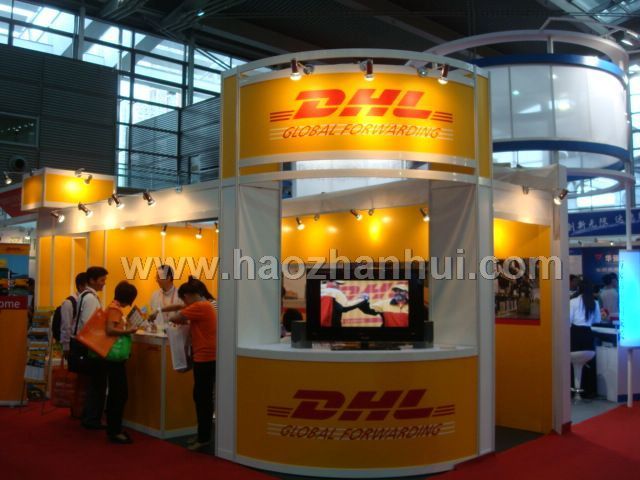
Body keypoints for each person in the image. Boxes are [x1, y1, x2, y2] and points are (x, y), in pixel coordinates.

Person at [167, 282, 217, 451]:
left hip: (205, 358)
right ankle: (202, 434)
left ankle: (204, 437)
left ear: (187, 296)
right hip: (206, 357)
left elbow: (175, 317)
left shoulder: (200, 306)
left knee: (202, 398)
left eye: (184, 300)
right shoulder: (206, 305)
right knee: (202, 397)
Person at [103, 281, 139, 444]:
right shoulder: (115, 309)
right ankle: (114, 430)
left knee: (117, 394)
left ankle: (114, 428)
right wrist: (128, 330)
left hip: (113, 359)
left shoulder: (113, 307)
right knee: (119, 394)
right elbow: (110, 329)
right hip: (114, 359)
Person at [77, 266, 108, 430]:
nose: (104, 283)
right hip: (92, 347)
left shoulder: (85, 296)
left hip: (87, 346)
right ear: (92, 280)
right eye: (102, 280)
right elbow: (89, 324)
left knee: (94, 384)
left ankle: (89, 416)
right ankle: (92, 418)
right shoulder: (90, 299)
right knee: (97, 385)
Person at [569, 280, 599, 397]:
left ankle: (574, 391)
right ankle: (584, 391)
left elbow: (569, 321)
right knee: (582, 364)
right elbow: (597, 320)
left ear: (578, 289)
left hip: (575, 338)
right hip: (589, 342)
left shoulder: (573, 302)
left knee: (573, 363)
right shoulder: (595, 303)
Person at [60, 272, 88, 355]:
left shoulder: (87, 301)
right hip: (75, 343)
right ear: (81, 286)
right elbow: (66, 325)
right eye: (88, 287)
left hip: (85, 343)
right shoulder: (69, 302)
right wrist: (66, 346)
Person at [149, 265, 183, 333]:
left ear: (168, 278)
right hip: (158, 335)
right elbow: (151, 316)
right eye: (156, 277)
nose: (156, 280)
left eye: (159, 277)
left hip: (176, 335)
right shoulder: (155, 295)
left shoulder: (180, 294)